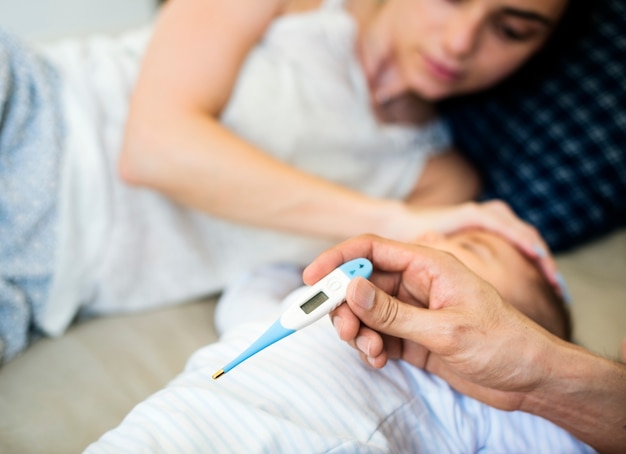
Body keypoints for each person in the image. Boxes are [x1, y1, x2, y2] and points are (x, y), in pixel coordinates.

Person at [0, 0, 579, 364]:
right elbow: (154, 148)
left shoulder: (442, 187)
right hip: (32, 118)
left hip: (43, 285)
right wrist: (396, 220)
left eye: (510, 28)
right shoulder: (290, 8)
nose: (460, 42)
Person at [86, 228, 591, 453]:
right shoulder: (293, 310)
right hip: (179, 424)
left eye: (467, 248)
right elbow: (247, 290)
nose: (429, 244)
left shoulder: (491, 398)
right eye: (429, 234)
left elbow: (576, 432)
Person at [305, 234, 626, 453]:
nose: (430, 237)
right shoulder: (329, 307)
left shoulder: (504, 413)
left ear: (519, 319)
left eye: (468, 245)